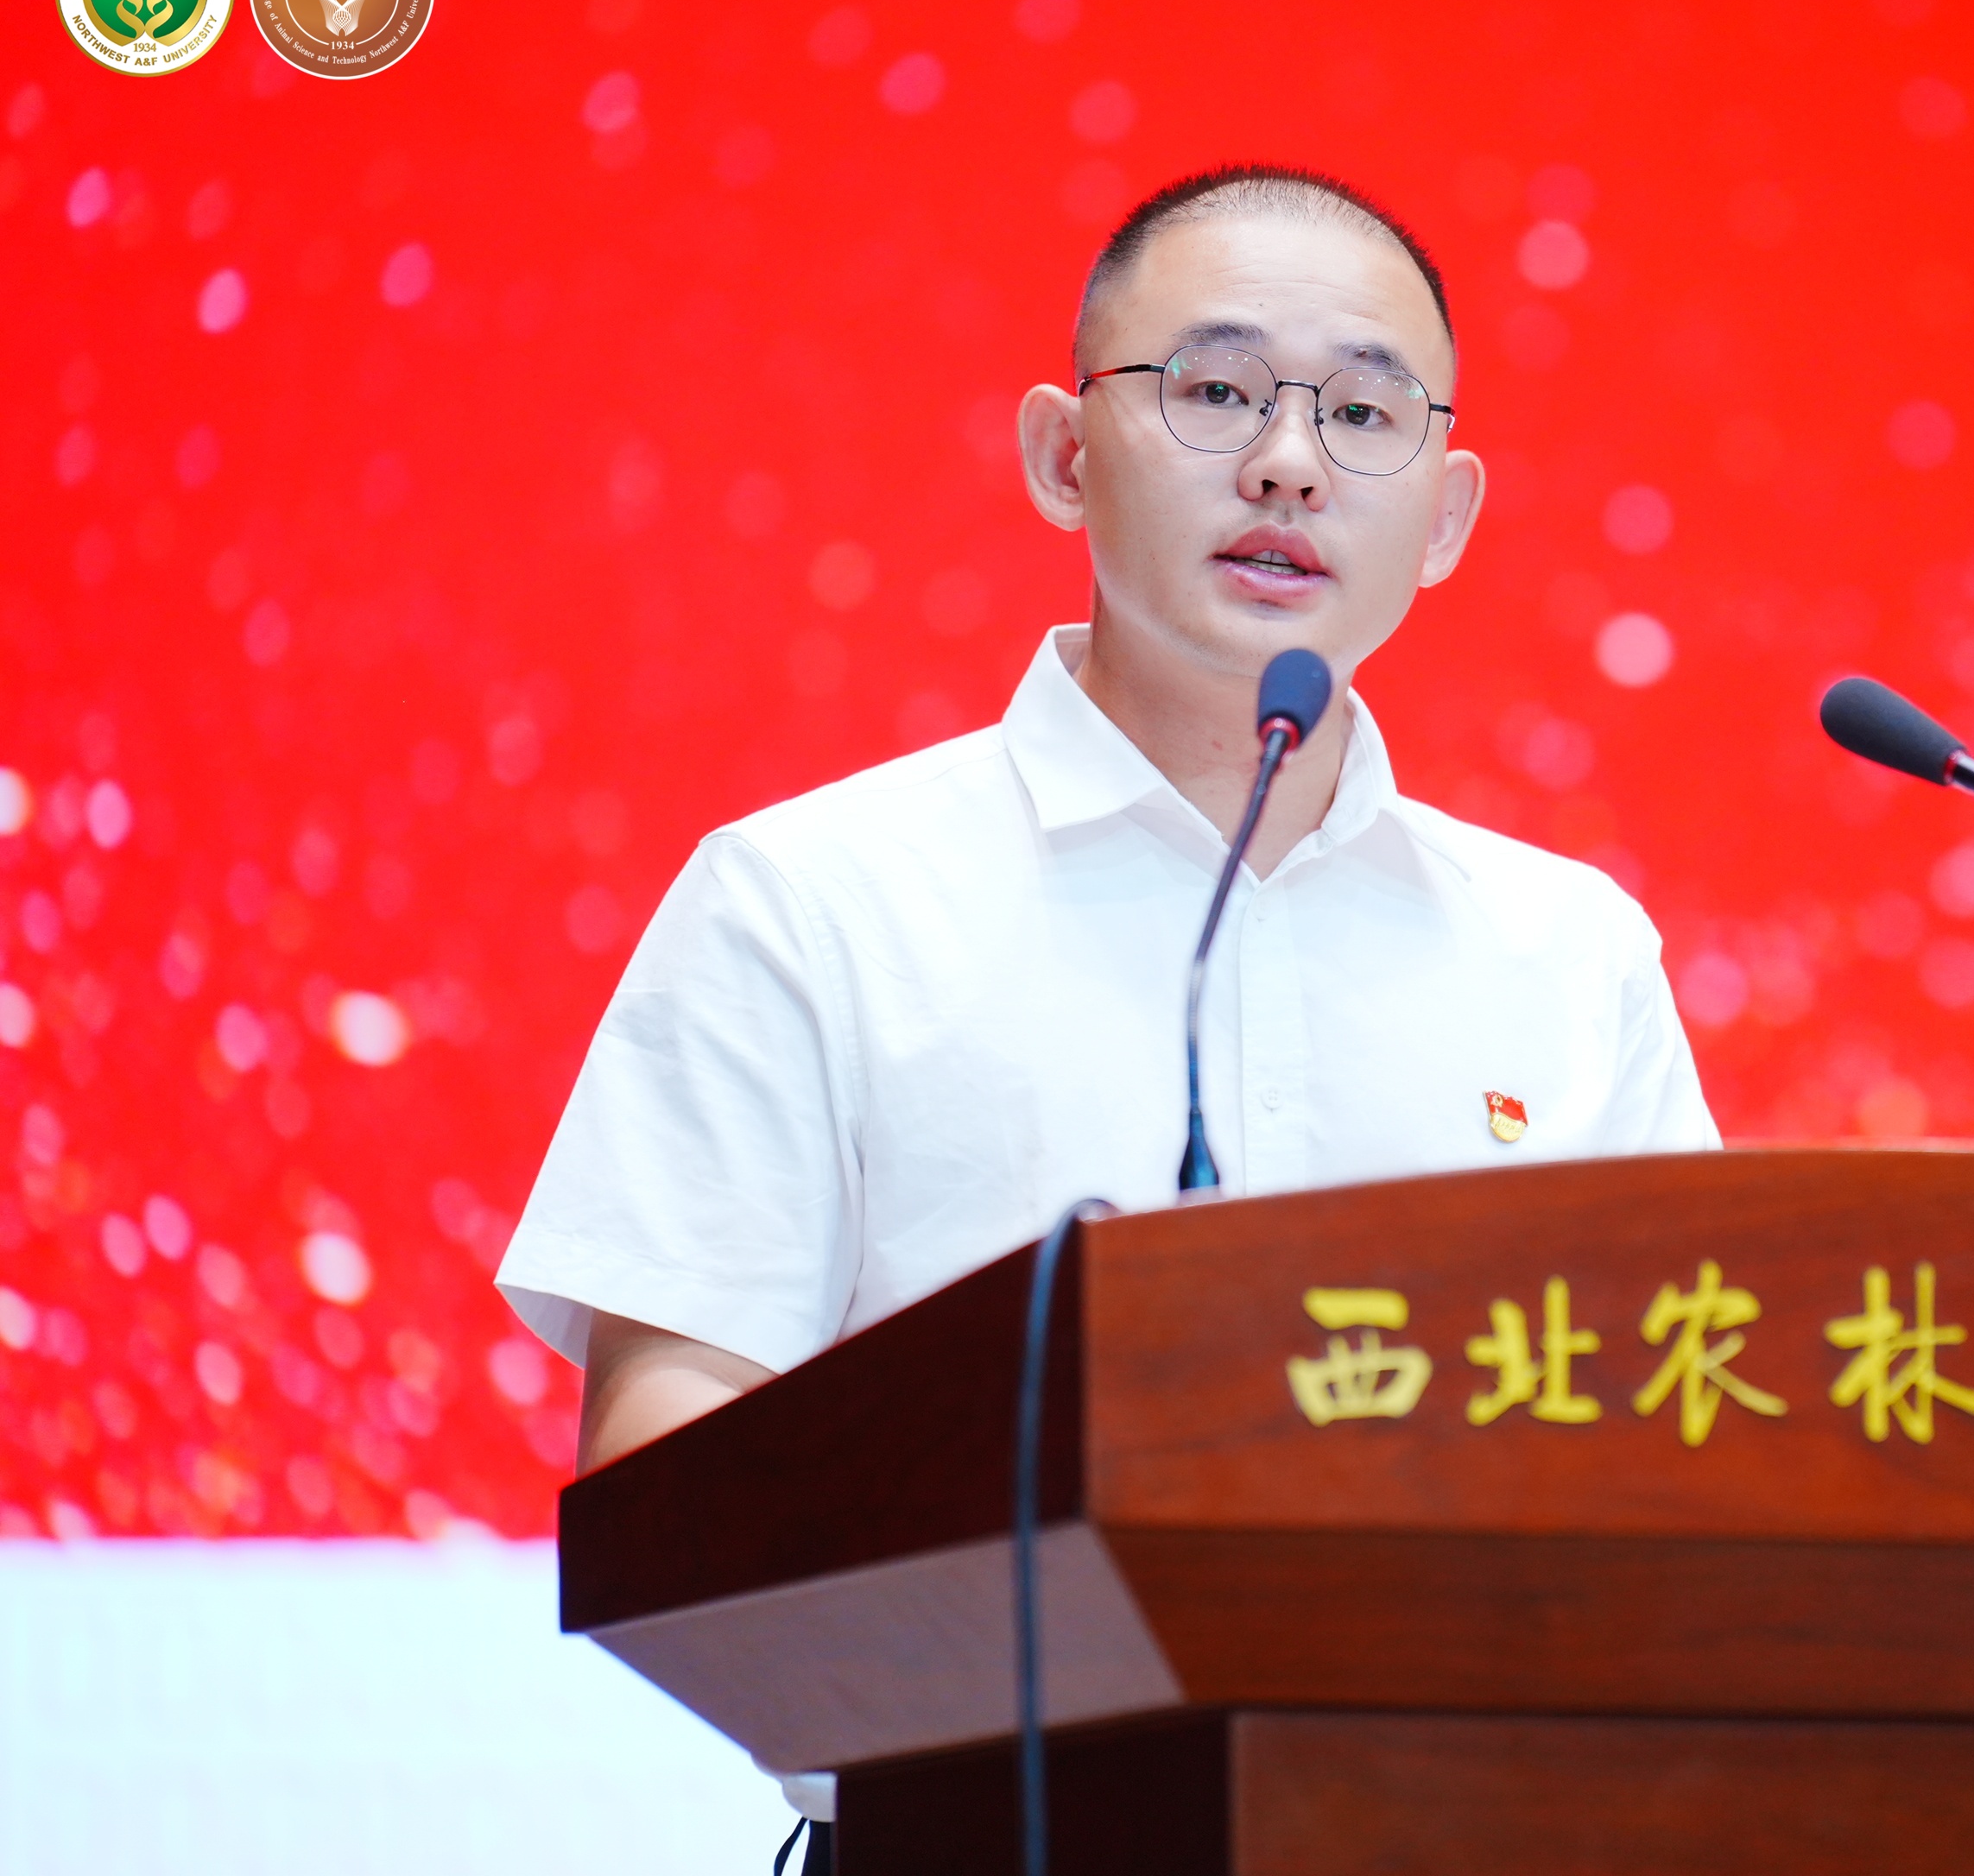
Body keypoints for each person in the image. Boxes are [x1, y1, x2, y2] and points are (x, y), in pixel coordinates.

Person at [495, 164, 1718, 1475]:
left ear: (1447, 520)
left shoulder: (1571, 956)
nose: (1289, 466)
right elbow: (665, 1477)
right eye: (1217, 393)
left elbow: (1698, 1439)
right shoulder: (808, 907)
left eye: (1365, 413)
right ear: (1063, 457)